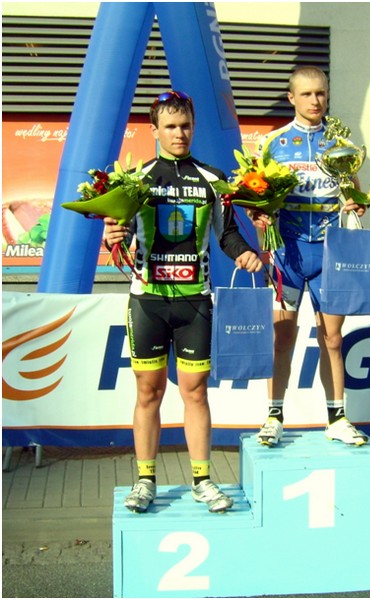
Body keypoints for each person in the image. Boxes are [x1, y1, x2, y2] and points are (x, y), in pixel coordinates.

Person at [103, 90, 263, 513]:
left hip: (195, 302)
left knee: (195, 392)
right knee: (148, 392)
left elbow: (227, 234)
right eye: (171, 126)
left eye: (186, 125)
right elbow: (121, 232)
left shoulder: (211, 178)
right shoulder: (136, 180)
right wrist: (113, 236)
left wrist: (245, 253)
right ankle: (145, 480)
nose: (179, 133)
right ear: (154, 130)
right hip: (148, 301)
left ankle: (202, 481)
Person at [247, 66, 368, 447]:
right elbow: (254, 196)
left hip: (331, 254)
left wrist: (357, 203)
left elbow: (356, 193)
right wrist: (257, 214)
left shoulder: (341, 142)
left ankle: (337, 418)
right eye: (306, 94)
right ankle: (274, 416)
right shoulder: (273, 143)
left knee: (332, 339)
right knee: (282, 338)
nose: (315, 101)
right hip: (288, 253)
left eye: (320, 93)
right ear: (291, 98)